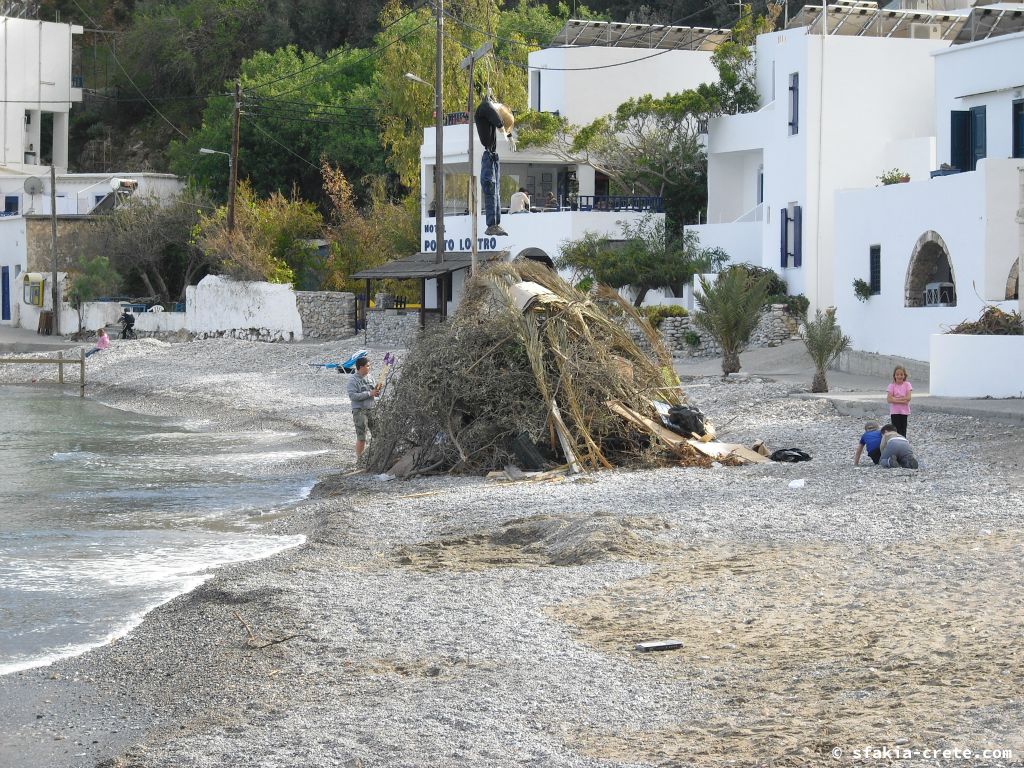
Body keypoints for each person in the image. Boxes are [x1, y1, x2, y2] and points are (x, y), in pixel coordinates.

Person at [474, 98, 509, 237]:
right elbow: (498, 120)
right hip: (489, 156)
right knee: (491, 190)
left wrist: (508, 134)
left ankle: (495, 224)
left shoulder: (487, 108)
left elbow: (498, 120)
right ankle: (492, 224)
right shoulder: (485, 107)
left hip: (492, 156)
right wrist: (504, 130)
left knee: (496, 192)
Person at [347, 357, 380, 459]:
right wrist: (370, 393)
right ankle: (359, 459)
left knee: (378, 433)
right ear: (361, 367)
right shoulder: (353, 380)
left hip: (372, 409)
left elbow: (375, 394)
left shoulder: (370, 377)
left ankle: (377, 456)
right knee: (362, 437)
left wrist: (377, 390)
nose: (369, 368)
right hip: (359, 411)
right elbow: (353, 396)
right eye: (368, 366)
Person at [886, 365, 912, 437]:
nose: (899, 376)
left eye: (901, 374)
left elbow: (909, 398)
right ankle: (896, 444)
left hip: (904, 411)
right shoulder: (891, 386)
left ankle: (903, 444)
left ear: (904, 375)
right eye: (897, 374)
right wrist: (903, 400)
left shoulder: (907, 384)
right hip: (894, 411)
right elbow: (889, 399)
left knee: (903, 429)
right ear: (894, 375)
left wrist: (895, 399)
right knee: (895, 430)